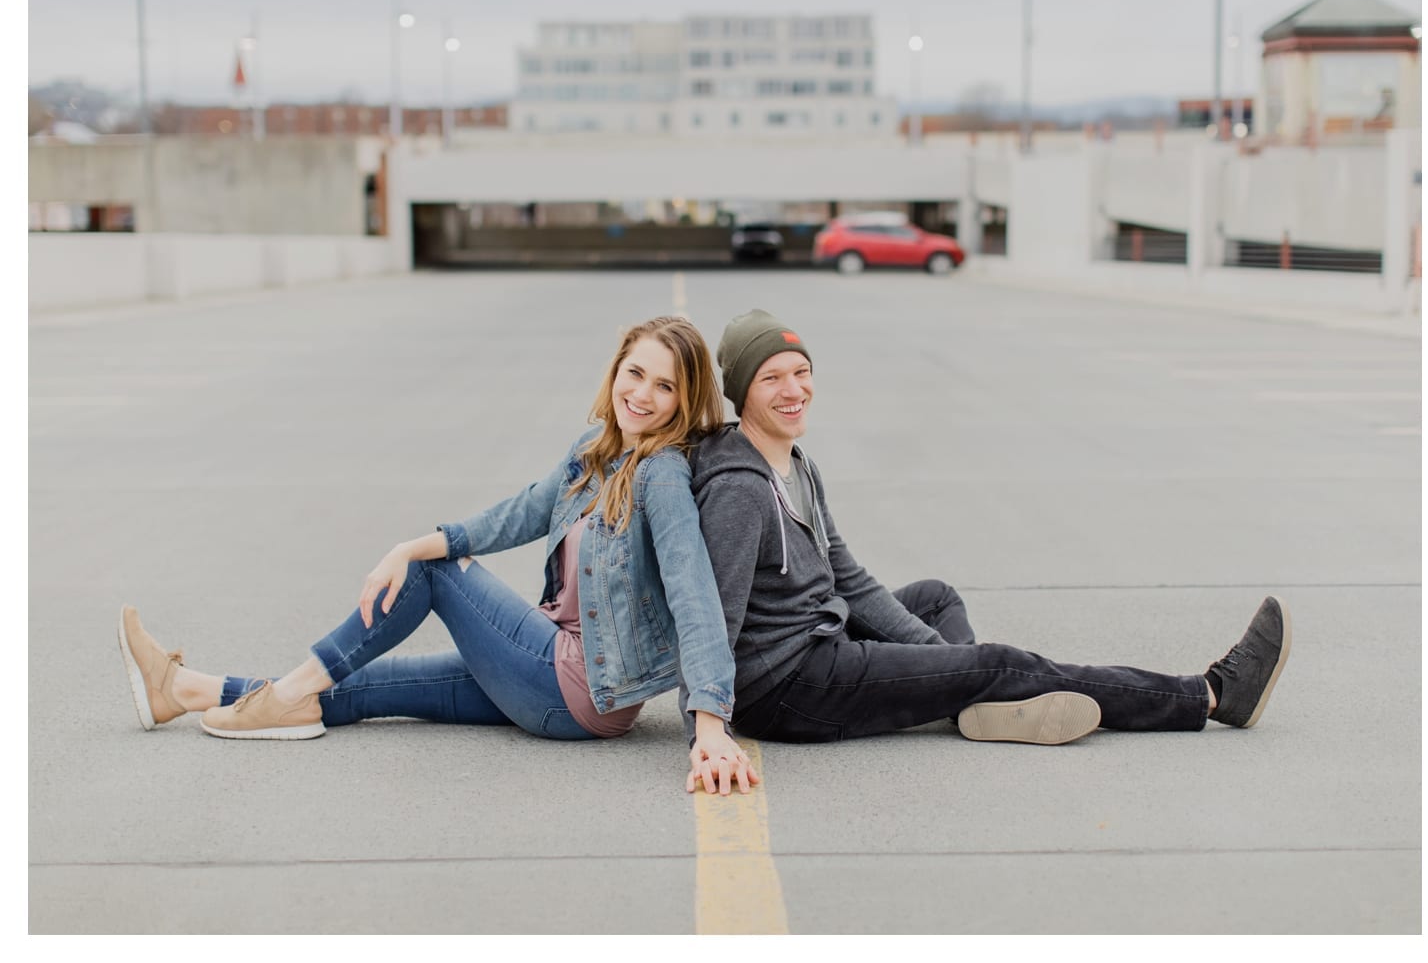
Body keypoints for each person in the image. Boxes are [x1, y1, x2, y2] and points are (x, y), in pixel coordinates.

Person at [118, 315, 760, 796]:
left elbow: (693, 593)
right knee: (363, 686)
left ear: (684, 400)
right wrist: (411, 540)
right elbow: (517, 514)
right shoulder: (594, 452)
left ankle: (282, 694)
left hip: (580, 686)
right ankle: (184, 690)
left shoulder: (662, 477)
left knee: (433, 575)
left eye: (665, 387)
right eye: (635, 374)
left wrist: (710, 725)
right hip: (547, 676)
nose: (643, 395)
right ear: (616, 371)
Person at [689, 309, 1291, 746]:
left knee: (936, 598)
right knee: (1000, 664)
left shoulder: (793, 462)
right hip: (790, 689)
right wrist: (708, 727)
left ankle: (969, 700)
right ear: (743, 392)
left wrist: (947, 666)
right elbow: (715, 619)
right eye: (772, 379)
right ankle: (1208, 694)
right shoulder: (740, 489)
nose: (794, 390)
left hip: (826, 641)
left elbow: (848, 577)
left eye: (801, 371)